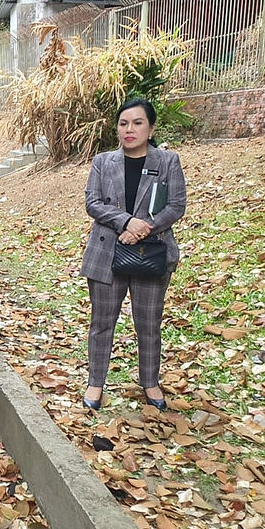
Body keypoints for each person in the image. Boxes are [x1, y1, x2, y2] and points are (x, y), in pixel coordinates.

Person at [80, 98, 187, 411]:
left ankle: (150, 381)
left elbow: (176, 205)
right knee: (102, 323)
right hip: (106, 252)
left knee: (149, 323)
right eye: (124, 123)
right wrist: (126, 221)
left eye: (138, 123)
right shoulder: (103, 162)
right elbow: (93, 203)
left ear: (151, 128)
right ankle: (96, 382)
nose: (129, 129)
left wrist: (143, 229)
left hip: (151, 252)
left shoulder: (167, 161)